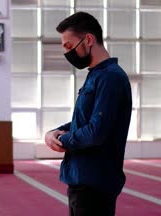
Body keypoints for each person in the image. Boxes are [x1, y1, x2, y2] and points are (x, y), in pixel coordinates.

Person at [44, 12, 132, 216]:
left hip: (95, 183)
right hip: (82, 180)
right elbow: (84, 121)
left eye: (69, 46)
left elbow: (96, 132)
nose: (67, 53)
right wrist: (55, 132)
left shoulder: (111, 78)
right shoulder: (97, 75)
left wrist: (64, 140)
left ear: (89, 39)